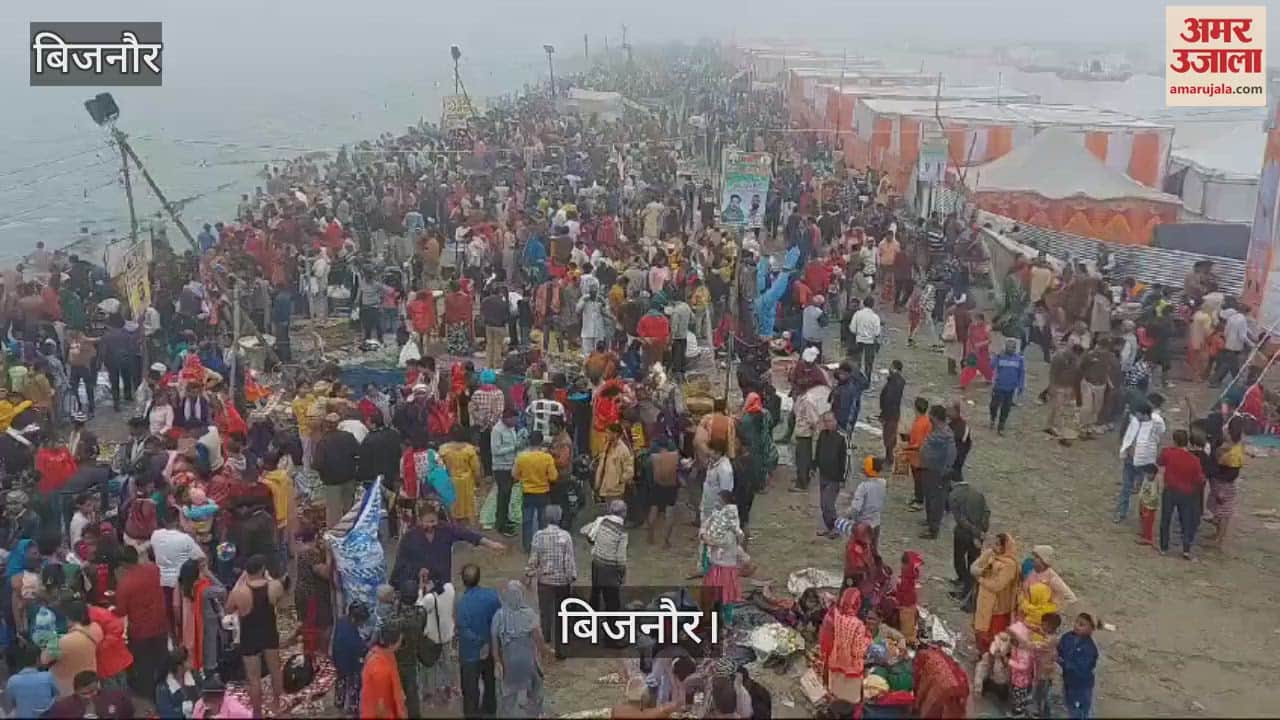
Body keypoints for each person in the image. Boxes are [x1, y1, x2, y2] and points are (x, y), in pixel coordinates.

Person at [389, 505, 503, 598]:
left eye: (433, 521)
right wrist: (393, 585)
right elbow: (400, 561)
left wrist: (491, 544)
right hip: (421, 584)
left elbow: (468, 535)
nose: (430, 525)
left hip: (442, 582)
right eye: (427, 522)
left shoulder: (445, 529)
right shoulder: (409, 536)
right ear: (419, 521)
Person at [227, 554, 284, 717]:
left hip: (249, 634)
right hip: (269, 630)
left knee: (253, 678)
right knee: (275, 670)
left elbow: (228, 609)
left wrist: (240, 583)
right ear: (263, 569)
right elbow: (279, 599)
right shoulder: (274, 586)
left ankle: (257, 712)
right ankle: (277, 703)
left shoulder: (240, 591)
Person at [112, 545, 169, 694]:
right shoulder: (154, 570)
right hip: (161, 625)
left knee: (144, 667)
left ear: (122, 564)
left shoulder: (125, 585)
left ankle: (149, 696)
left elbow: (121, 611)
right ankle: (165, 690)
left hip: (140, 633)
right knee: (162, 660)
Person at [491, 580, 548, 718]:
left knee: (508, 694)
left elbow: (494, 643)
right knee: (537, 685)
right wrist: (544, 653)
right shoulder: (529, 614)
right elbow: (538, 638)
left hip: (508, 662)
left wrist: (497, 662)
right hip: (528, 661)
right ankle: (536, 713)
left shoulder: (499, 616)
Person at [457, 563, 500, 718]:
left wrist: (479, 641)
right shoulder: (492, 596)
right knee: (489, 682)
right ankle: (490, 710)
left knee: (470, 689)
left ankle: (472, 714)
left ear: (463, 580)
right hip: (489, 648)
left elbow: (463, 628)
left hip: (470, 653)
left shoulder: (462, 603)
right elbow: (498, 620)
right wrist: (489, 642)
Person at [1156, 429, 1205, 559]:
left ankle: (1164, 547)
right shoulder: (1194, 460)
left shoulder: (1168, 453)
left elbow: (1160, 461)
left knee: (1166, 519)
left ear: (1174, 441)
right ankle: (1186, 549)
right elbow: (1199, 479)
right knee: (1186, 521)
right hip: (1187, 493)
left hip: (1170, 490)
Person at [1115, 398, 1164, 523]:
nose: (1135, 415)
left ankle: (1144, 516)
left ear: (1144, 414)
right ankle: (1121, 512)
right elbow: (1128, 436)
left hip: (1145, 462)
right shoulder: (1135, 421)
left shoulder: (1155, 424)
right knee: (1126, 486)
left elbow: (1159, 437)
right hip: (1130, 459)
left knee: (1144, 490)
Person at [818, 588, 871, 703]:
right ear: (857, 604)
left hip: (836, 663)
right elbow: (857, 652)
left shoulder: (837, 617)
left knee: (836, 695)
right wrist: (867, 640)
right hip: (850, 670)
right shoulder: (858, 625)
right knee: (849, 702)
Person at [415, 567, 457, 708]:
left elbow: (418, 609)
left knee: (430, 665)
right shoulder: (450, 589)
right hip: (447, 634)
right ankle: (448, 688)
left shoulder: (429, 599)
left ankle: (430, 693)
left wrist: (421, 589)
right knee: (447, 662)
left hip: (432, 637)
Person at [972, 533, 1019, 654]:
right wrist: (981, 571)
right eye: (994, 543)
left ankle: (993, 661)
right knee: (980, 630)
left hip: (998, 606)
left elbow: (997, 586)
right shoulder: (990, 554)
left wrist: (980, 579)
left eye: (998, 545)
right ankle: (982, 656)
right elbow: (973, 567)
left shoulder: (1010, 565)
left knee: (994, 637)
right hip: (983, 601)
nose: (994, 547)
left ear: (1005, 547)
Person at [700, 490, 745, 615]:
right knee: (723, 598)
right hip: (718, 566)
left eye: (720, 501)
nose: (717, 504)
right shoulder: (721, 522)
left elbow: (714, 541)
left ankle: (724, 620)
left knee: (724, 598)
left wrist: (705, 536)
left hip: (723, 570)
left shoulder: (729, 533)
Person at [314, 412, 361, 527]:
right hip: (349, 478)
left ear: (327, 425)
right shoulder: (348, 437)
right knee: (349, 509)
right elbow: (358, 453)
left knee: (333, 513)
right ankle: (350, 531)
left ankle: (335, 537)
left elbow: (318, 464)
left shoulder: (323, 442)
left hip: (332, 482)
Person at [513, 431, 558, 553]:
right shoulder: (547, 458)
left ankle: (528, 547)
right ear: (541, 442)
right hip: (543, 493)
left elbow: (515, 476)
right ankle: (542, 546)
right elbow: (553, 477)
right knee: (543, 520)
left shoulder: (521, 457)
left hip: (528, 493)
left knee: (527, 521)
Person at [294, 528, 334, 656]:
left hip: (303, 593)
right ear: (315, 537)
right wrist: (329, 555)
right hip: (313, 595)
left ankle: (310, 650)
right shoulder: (310, 553)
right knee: (322, 624)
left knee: (307, 623)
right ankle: (321, 652)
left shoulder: (301, 551)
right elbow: (325, 573)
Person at [919, 405, 957, 539]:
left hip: (937, 472)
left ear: (935, 417)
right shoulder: (936, 430)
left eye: (931, 415)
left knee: (937, 501)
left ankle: (933, 529)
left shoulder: (945, 435)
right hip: (929, 469)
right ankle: (930, 521)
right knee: (929, 497)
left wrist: (945, 470)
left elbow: (952, 454)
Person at [361, 624, 409, 719]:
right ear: (392, 644)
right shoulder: (379, 667)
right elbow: (381, 704)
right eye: (399, 640)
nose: (400, 643)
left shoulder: (384, 654)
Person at [1058, 613, 1099, 720]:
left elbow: (1083, 668)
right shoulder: (1067, 637)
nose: (1076, 626)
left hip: (1081, 686)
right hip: (1068, 681)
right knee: (1069, 704)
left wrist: (1062, 662)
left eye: (1081, 624)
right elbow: (1060, 649)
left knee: (1079, 708)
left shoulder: (1089, 649)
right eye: (1076, 622)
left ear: (1091, 630)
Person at [44, 670, 134, 719]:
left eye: (94, 691)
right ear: (76, 691)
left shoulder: (117, 697)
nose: (90, 696)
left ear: (99, 686)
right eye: (84, 694)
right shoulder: (62, 707)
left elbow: (128, 714)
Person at [440, 427, 483, 525]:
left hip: (449, 480)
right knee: (467, 505)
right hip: (466, 482)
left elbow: (440, 467)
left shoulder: (443, 450)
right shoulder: (469, 449)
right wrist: (478, 480)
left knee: (453, 505)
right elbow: (476, 468)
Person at [815, 412, 847, 537]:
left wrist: (843, 477)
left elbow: (846, 459)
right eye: (825, 421)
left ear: (835, 421)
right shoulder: (823, 435)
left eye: (830, 421)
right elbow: (818, 451)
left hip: (835, 477)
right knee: (823, 504)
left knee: (828, 503)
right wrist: (814, 465)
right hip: (823, 474)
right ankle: (829, 527)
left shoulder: (841, 438)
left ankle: (836, 527)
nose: (828, 424)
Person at [4, 643, 57, 718]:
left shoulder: (12, 681)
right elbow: (58, 698)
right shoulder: (47, 676)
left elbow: (10, 707)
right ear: (37, 659)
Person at [990, 337, 1025, 434]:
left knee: (1006, 408)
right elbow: (991, 366)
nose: (1011, 349)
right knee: (994, 405)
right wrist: (996, 356)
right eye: (1009, 347)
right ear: (1005, 347)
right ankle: (992, 418)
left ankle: (1001, 425)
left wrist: (1021, 386)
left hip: (1010, 388)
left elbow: (1021, 373)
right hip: (999, 386)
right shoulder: (1000, 357)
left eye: (1013, 347)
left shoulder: (1019, 359)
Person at [903, 397, 932, 511]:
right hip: (920, 454)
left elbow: (918, 444)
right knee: (917, 478)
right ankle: (917, 497)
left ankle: (919, 500)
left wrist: (906, 447)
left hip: (918, 456)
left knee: (918, 479)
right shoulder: (924, 420)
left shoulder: (920, 423)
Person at [155, 648, 199, 719]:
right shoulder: (163, 687)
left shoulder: (194, 679)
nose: (191, 661)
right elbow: (166, 713)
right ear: (179, 665)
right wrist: (184, 709)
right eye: (188, 659)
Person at [849, 297, 881, 380]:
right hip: (870, 342)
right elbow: (877, 332)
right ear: (873, 305)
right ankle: (867, 379)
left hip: (858, 340)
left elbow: (852, 328)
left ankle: (856, 378)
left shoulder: (857, 314)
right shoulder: (875, 317)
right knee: (869, 363)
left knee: (857, 361)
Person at [880, 360, 905, 461]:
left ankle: (889, 458)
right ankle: (889, 456)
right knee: (890, 434)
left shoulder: (895, 382)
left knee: (889, 435)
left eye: (891, 366)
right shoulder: (897, 380)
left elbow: (889, 399)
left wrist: (884, 413)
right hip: (893, 412)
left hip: (890, 413)